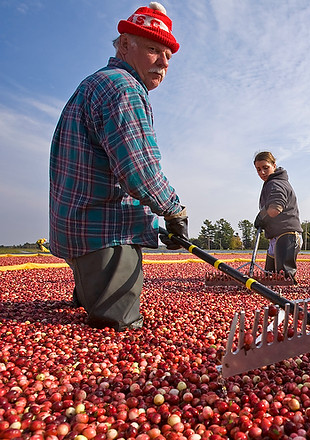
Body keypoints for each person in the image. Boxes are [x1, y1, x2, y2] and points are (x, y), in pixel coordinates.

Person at [49, 2, 188, 331]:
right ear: (126, 45)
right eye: (154, 50)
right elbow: (138, 169)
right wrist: (174, 212)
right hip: (105, 231)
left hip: (81, 225)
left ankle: (89, 289)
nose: (163, 63)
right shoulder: (123, 88)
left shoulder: (98, 83)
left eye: (168, 56)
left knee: (98, 294)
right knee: (120, 328)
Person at [253, 151, 303, 282]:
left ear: (274, 166)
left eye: (265, 167)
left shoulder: (276, 183)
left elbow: (276, 208)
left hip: (287, 237)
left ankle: (288, 302)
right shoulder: (273, 182)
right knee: (270, 279)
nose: (262, 172)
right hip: (277, 238)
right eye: (258, 169)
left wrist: (262, 216)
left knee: (284, 280)